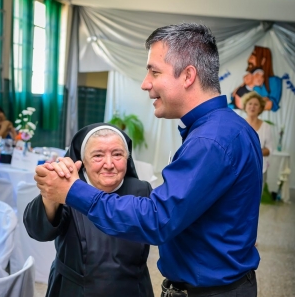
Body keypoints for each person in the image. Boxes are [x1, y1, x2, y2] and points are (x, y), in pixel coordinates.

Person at [35, 23, 262, 297]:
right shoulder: (229, 127)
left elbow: (158, 220)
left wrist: (73, 191)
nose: (146, 83)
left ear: (188, 75)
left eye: (154, 72)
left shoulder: (210, 140)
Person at [24, 123, 154, 297]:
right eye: (98, 156)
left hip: (132, 289)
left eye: (117, 154)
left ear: (128, 158)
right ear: (83, 160)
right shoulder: (69, 188)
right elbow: (39, 231)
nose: (109, 164)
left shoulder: (142, 190)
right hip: (74, 290)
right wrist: (50, 194)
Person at [243, 91, 273, 191]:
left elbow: (269, 149)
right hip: (241, 168)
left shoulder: (266, 127)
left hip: (260, 168)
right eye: (250, 103)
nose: (252, 106)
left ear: (260, 108)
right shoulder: (239, 124)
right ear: (245, 106)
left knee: (256, 199)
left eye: (256, 104)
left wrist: (255, 151)